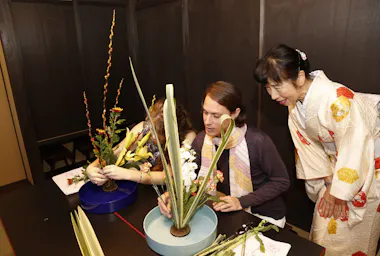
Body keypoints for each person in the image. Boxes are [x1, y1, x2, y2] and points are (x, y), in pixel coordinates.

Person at [254, 44, 380, 255]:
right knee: (324, 230)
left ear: (300, 77)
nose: (273, 96)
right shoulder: (295, 105)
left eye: (277, 86)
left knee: (354, 235)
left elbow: (354, 146)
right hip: (335, 173)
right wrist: (330, 183)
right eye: (268, 88)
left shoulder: (338, 100)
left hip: (365, 169)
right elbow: (308, 147)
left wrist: (340, 192)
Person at [158, 81, 290, 227]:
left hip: (265, 216)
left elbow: (281, 181)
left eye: (216, 115)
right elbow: (189, 176)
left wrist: (241, 201)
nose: (208, 121)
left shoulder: (258, 142)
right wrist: (174, 194)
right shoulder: (202, 140)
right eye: (205, 112)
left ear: (234, 114)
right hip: (230, 211)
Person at [86, 99, 196, 185]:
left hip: (164, 194)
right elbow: (118, 150)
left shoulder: (187, 138)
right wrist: (92, 167)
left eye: (157, 132)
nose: (151, 135)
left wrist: (127, 174)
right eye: (150, 128)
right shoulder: (145, 127)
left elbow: (167, 177)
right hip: (142, 186)